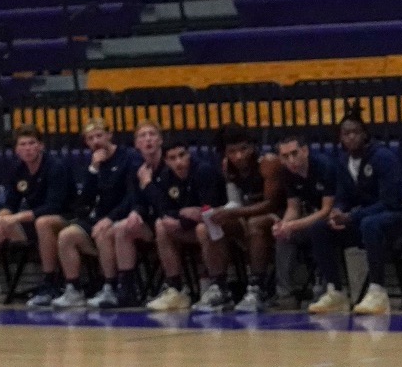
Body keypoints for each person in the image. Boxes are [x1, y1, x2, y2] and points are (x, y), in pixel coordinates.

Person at [0, 126, 74, 310]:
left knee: (43, 222)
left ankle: (50, 284)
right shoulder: (18, 170)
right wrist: (2, 219)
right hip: (33, 221)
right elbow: (10, 203)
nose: (28, 148)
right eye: (23, 144)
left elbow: (53, 206)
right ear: (17, 150)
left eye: (32, 143)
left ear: (41, 145)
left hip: (66, 220)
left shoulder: (55, 166)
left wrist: (16, 218)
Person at [301, 115, 402, 316]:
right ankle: (335, 292)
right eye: (346, 133)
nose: (351, 137)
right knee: (319, 227)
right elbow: (344, 197)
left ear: (365, 134)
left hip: (397, 218)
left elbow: (389, 202)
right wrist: (338, 212)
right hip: (363, 221)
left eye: (355, 132)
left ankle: (378, 291)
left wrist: (353, 217)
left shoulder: (383, 157)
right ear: (340, 138)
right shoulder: (343, 162)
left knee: (371, 224)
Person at [190, 124, 287, 314]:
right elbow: (234, 202)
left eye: (244, 149)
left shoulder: (268, 162)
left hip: (279, 216)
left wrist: (234, 213)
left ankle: (257, 287)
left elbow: (271, 204)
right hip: (246, 213)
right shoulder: (228, 166)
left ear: (253, 146)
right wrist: (220, 212)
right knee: (206, 227)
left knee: (255, 224)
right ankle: (219, 287)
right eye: (232, 151)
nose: (239, 156)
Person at [53, 117, 142, 309]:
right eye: (90, 138)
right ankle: (73, 290)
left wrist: (110, 218)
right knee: (66, 236)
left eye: (99, 136)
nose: (96, 141)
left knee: (103, 232)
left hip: (122, 217)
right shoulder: (94, 163)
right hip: (99, 217)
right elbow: (84, 201)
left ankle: (109, 287)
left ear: (109, 135)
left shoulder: (129, 157)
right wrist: (93, 170)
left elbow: (132, 196)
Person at [138, 139, 226, 313]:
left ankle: (219, 287)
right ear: (166, 161)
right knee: (161, 225)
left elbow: (209, 210)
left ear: (189, 154)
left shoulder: (203, 171)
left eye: (182, 155)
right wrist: (182, 216)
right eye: (172, 158)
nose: (178, 162)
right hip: (191, 227)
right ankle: (176, 289)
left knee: (203, 226)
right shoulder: (166, 176)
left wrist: (184, 219)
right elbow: (163, 208)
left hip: (222, 225)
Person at [88, 120, 165, 309]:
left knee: (122, 227)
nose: (148, 140)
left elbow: (164, 203)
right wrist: (135, 212)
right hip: (147, 221)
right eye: (142, 136)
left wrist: (146, 188)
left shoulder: (168, 163)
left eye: (152, 134)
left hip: (166, 220)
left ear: (161, 140)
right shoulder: (138, 167)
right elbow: (134, 197)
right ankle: (122, 288)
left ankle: (171, 285)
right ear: (137, 144)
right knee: (119, 228)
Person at [270, 134, 338, 311]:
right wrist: (284, 225)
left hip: (336, 218)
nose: (291, 160)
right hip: (312, 219)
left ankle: (324, 288)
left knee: (317, 230)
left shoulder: (324, 166)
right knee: (284, 237)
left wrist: (294, 225)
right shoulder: (287, 173)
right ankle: (285, 294)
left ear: (305, 151)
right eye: (285, 157)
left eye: (294, 153)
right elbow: (293, 208)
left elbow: (326, 210)